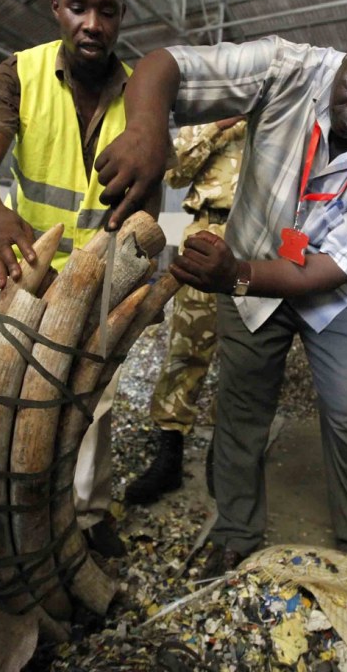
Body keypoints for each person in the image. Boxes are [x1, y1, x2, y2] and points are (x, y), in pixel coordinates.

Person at [94, 7, 347, 576]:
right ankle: (237, 531)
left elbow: (327, 271)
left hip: (333, 293)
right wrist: (145, 131)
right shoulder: (288, 68)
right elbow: (165, 66)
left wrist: (234, 275)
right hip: (253, 258)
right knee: (242, 407)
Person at [0, 0, 162, 559]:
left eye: (106, 11)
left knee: (89, 404)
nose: (92, 24)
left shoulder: (140, 96)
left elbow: (150, 194)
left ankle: (88, 514)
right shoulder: (18, 73)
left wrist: (133, 277)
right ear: (57, 9)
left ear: (121, 17)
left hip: (99, 278)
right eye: (78, 7)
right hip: (25, 266)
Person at [125, 117, 246, 505]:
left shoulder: (280, 114)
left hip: (259, 243)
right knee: (186, 349)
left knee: (247, 355)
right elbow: (176, 174)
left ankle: (225, 459)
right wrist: (222, 124)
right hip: (207, 234)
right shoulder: (212, 117)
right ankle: (170, 455)